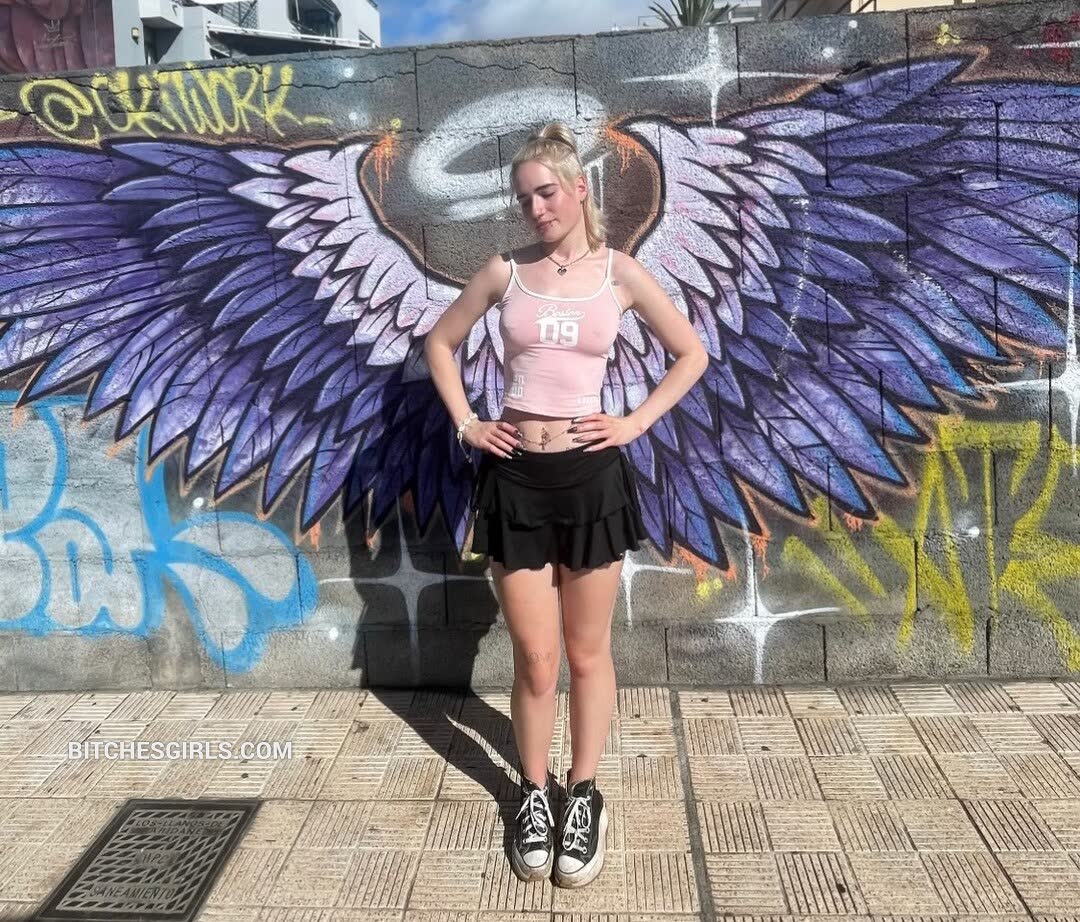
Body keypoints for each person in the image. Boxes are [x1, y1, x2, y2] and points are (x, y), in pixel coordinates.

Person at [422, 121, 708, 888]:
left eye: (546, 192)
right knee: (536, 658)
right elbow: (440, 344)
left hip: (591, 481)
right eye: (524, 199)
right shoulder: (504, 272)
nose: (536, 208)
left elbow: (692, 354)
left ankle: (583, 795)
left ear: (580, 189)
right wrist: (468, 422)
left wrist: (635, 422)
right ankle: (532, 792)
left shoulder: (620, 273)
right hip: (514, 481)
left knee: (586, 654)